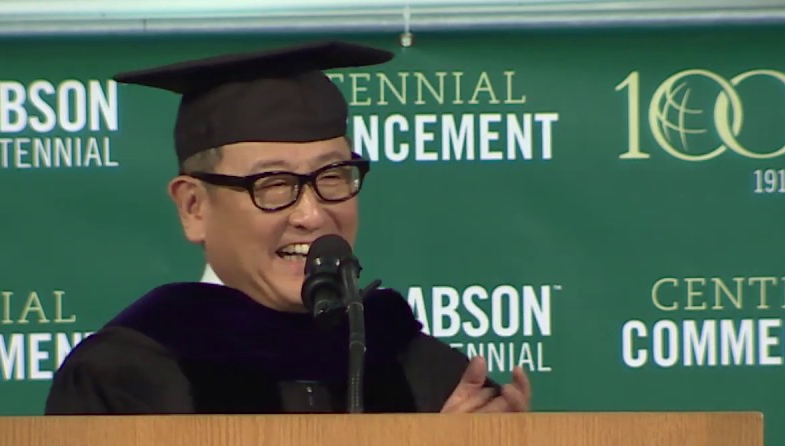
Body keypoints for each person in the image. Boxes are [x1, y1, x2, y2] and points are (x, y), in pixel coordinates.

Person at [44, 40, 531, 415]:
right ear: (194, 206)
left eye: (332, 178)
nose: (312, 214)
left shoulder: (421, 370)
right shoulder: (126, 378)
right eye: (273, 184)